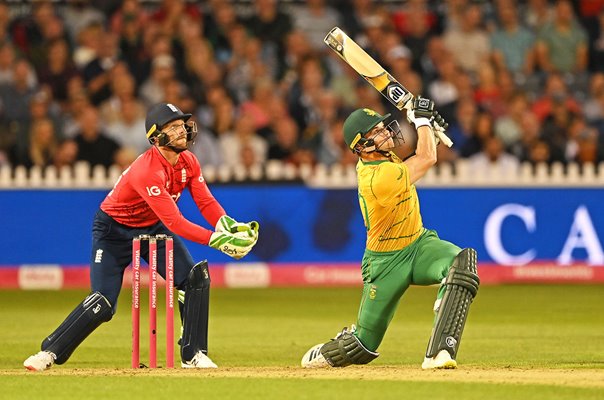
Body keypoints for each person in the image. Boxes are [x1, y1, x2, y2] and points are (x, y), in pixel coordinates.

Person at [24, 103, 259, 371]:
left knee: (195, 278)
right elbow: (175, 222)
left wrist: (227, 225)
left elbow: (205, 201)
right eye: (173, 127)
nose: (182, 131)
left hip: (152, 228)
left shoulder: (189, 161)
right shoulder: (147, 170)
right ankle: (48, 353)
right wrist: (218, 241)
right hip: (113, 232)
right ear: (157, 137)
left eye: (182, 125)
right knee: (103, 303)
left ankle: (193, 354)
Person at [300, 98, 479, 370]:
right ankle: (328, 351)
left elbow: (423, 153)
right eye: (378, 131)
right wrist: (422, 122)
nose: (387, 132)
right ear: (362, 146)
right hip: (385, 263)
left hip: (419, 245)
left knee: (462, 262)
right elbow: (427, 158)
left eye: (383, 126)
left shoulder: (384, 157)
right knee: (362, 346)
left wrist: (428, 128)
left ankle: (440, 352)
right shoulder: (375, 178)